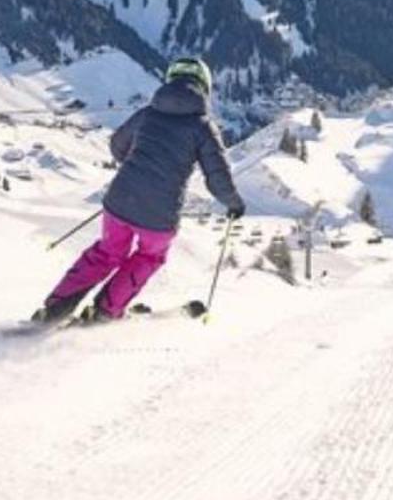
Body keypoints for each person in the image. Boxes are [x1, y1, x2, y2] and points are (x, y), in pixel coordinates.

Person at [34, 56, 246, 325]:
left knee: (107, 252)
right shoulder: (202, 127)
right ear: (205, 87)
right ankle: (105, 312)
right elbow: (217, 178)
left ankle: (55, 308)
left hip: (120, 200)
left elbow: (117, 146)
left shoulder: (147, 113)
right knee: (148, 256)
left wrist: (138, 166)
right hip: (159, 215)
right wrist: (234, 204)